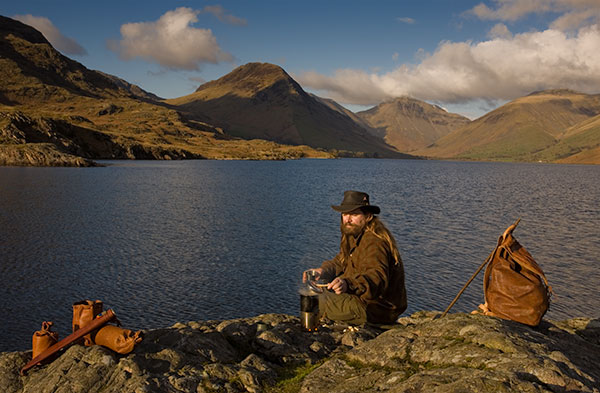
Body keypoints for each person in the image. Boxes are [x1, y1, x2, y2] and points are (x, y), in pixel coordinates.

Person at [303, 190, 407, 325]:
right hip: (361, 300)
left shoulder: (375, 241)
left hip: (377, 309)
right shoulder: (353, 232)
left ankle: (309, 332)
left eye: (354, 214)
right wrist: (322, 271)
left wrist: (348, 284)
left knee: (312, 300)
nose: (348, 219)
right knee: (313, 289)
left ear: (368, 216)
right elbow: (341, 261)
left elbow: (377, 277)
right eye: (345, 214)